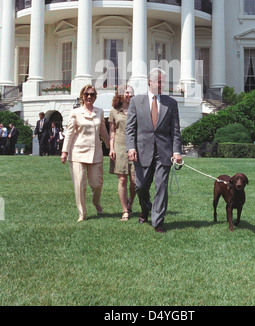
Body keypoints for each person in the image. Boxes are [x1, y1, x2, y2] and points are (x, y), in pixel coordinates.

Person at [126, 68, 182, 233]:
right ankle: (145, 208)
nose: (161, 84)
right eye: (158, 81)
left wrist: (176, 151)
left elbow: (175, 130)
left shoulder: (171, 103)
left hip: (163, 152)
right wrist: (130, 148)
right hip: (142, 151)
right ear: (149, 82)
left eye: (163, 81)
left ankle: (158, 222)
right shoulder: (136, 101)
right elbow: (130, 128)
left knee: (161, 187)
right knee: (141, 186)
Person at [60, 84, 110, 222]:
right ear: (82, 96)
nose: (89, 96)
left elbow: (104, 133)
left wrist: (111, 147)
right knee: (79, 185)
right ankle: (82, 214)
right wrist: (64, 151)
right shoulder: (75, 112)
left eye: (92, 94)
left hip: (95, 153)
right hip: (77, 152)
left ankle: (96, 203)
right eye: (86, 94)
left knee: (96, 184)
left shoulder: (99, 112)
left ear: (95, 97)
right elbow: (69, 133)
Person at [109, 84, 136, 221]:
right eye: (127, 92)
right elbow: (112, 132)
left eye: (131, 93)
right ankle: (125, 210)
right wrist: (111, 148)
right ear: (120, 94)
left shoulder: (136, 110)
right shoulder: (114, 111)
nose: (129, 95)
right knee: (122, 179)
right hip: (119, 147)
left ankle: (130, 202)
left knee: (134, 181)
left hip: (134, 148)